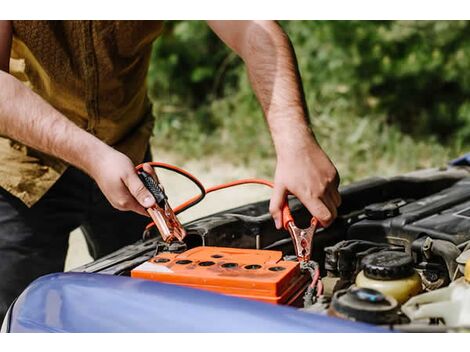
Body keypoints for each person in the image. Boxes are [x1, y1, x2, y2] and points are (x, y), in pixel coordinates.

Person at [0, 20, 340, 319]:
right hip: (25, 169)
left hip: (127, 158)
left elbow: (252, 24)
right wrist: (93, 154)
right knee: (16, 312)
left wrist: (295, 140)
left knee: (143, 307)